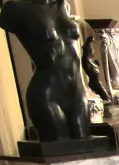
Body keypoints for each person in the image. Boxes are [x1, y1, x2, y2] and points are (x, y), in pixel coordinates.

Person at [0, 0, 90, 141]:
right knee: (59, 148)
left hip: (78, 91)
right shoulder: (15, 9)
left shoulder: (63, 4)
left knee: (88, 147)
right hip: (49, 93)